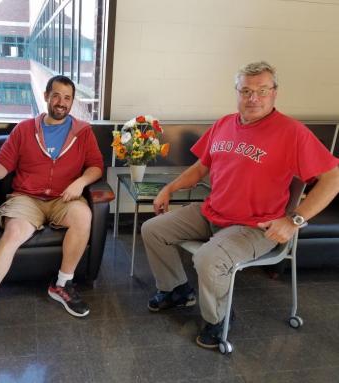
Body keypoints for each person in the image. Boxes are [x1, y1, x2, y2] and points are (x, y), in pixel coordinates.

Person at [141, 61, 339, 349]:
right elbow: (199, 168)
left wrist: (294, 220)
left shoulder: (292, 132)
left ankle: (218, 318)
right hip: (213, 212)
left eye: (261, 90)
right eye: (245, 90)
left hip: (256, 226)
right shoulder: (223, 124)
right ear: (237, 92)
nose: (253, 98)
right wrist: (168, 188)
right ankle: (177, 291)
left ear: (274, 93)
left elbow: (333, 178)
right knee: (153, 230)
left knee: (208, 259)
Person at [0, 75, 104, 361]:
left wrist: (81, 182)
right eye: (56, 96)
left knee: (84, 216)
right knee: (13, 234)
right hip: (27, 199)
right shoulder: (24, 130)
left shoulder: (83, 132)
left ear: (72, 102)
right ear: (46, 96)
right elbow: (3, 163)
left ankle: (61, 284)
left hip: (64, 198)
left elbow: (96, 166)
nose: (61, 102)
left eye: (67, 98)